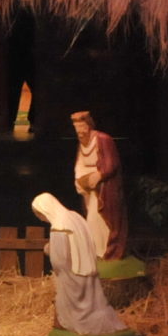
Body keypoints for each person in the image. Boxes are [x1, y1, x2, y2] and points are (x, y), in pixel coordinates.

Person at [31, 193, 129, 336]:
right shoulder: (74, 216)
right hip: (86, 267)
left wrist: (49, 250)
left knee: (72, 306)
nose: (42, 219)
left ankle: (73, 325)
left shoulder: (58, 225)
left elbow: (60, 260)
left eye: (41, 215)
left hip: (71, 273)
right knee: (91, 304)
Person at [70, 110, 127, 260]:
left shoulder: (103, 139)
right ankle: (95, 251)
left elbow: (112, 163)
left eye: (82, 127)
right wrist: (79, 179)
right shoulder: (82, 143)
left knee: (100, 219)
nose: (80, 132)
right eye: (76, 128)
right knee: (91, 217)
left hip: (104, 188)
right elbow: (80, 163)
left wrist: (99, 175)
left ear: (88, 125)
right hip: (89, 189)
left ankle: (106, 251)